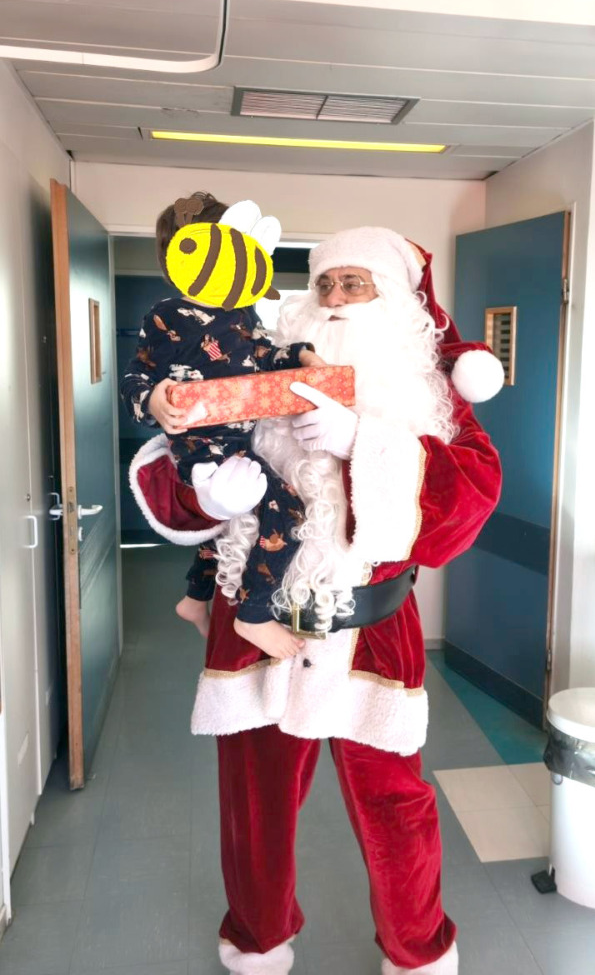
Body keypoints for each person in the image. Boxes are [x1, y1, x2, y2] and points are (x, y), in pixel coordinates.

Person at [130, 226, 503, 974]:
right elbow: (170, 477)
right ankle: (258, 940)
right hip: (255, 624)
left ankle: (417, 950)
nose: (334, 298)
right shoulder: (256, 361)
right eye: (325, 283)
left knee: (396, 809)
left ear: (393, 299)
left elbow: (471, 497)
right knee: (255, 808)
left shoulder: (430, 393)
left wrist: (363, 441)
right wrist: (205, 491)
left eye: (354, 283)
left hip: (375, 630)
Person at [121, 191, 323, 658]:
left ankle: (194, 599)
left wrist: (300, 355)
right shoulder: (166, 315)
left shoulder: (240, 313)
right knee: (286, 511)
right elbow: (136, 375)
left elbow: (262, 355)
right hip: (200, 445)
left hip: (240, 439)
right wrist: (153, 401)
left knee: (233, 526)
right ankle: (253, 615)